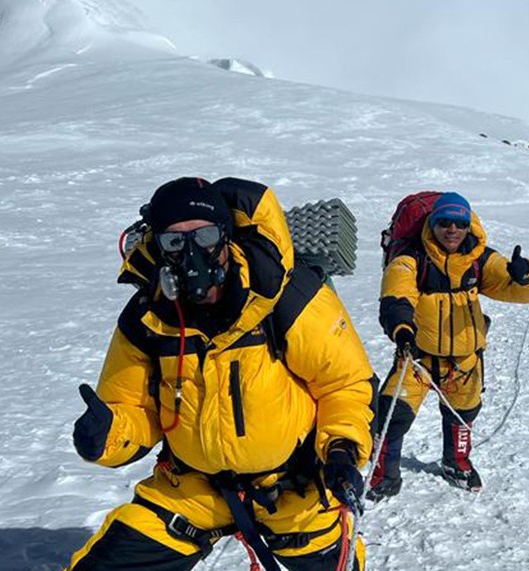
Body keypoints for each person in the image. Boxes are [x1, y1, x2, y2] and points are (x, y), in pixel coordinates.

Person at [66, 177, 377, 571]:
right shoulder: (148, 315)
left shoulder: (286, 296)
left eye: (205, 235)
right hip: (192, 490)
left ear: (226, 237)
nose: (192, 253)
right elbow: (134, 408)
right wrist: (107, 434)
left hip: (292, 490)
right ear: (157, 248)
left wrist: (341, 450)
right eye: (174, 242)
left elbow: (345, 384)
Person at [368, 192, 529, 500]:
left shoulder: (480, 259)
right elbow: (396, 293)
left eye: (460, 223)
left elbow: (527, 293)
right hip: (417, 357)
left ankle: (457, 463)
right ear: (432, 225)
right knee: (392, 416)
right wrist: (401, 328)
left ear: (469, 225)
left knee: (463, 416)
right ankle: (384, 474)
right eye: (444, 222)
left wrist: (527, 275)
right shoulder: (411, 258)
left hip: (465, 362)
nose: (452, 229)